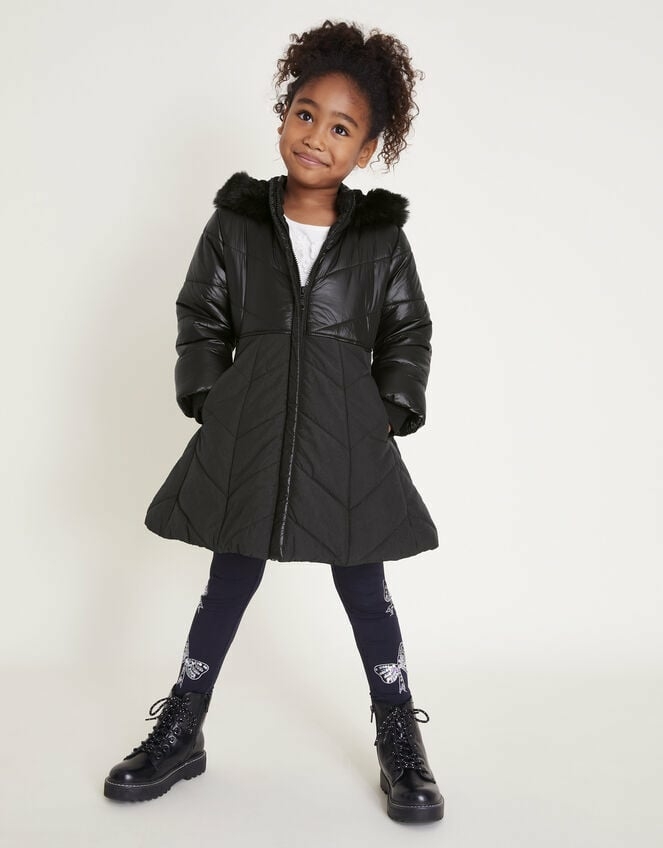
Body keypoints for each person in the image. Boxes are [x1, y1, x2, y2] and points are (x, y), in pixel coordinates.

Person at [104, 19, 444, 824]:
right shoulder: (236, 224)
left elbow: (407, 330)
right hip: (250, 433)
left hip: (346, 437)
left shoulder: (379, 239)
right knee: (229, 577)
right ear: (283, 116)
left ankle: (399, 737)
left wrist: (387, 411)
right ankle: (182, 728)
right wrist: (210, 398)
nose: (316, 137)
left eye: (341, 128)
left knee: (364, 584)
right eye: (304, 114)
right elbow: (201, 315)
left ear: (367, 149)